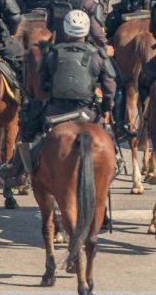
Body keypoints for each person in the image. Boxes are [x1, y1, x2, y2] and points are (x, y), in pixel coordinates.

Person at [10, 10, 116, 178]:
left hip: (55, 111)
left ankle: (16, 170)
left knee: (27, 126)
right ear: (87, 30)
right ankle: (114, 163)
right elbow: (110, 84)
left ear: (65, 29)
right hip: (87, 112)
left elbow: (42, 83)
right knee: (109, 137)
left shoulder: (52, 54)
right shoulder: (97, 55)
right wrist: (107, 106)